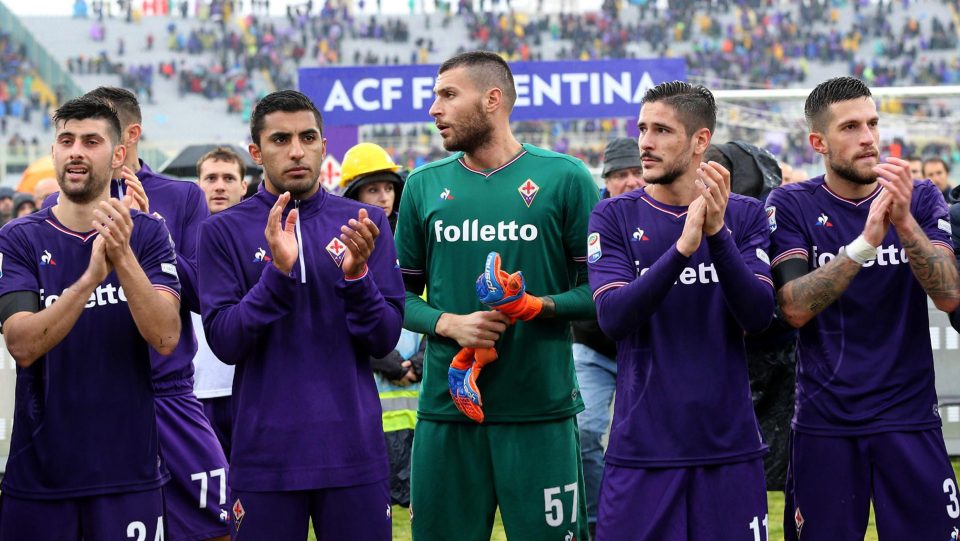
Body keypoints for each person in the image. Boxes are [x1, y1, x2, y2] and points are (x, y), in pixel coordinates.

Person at [395, 51, 597, 541]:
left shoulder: (566, 178)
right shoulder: (423, 186)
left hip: (540, 409)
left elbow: (603, 292)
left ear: (492, 99)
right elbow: (393, 298)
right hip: (448, 408)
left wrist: (536, 306)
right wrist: (449, 324)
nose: (433, 109)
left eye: (447, 94)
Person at [198, 90, 404, 540]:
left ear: (324, 146)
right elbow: (226, 341)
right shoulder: (221, 231)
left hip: (353, 452)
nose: (296, 150)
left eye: (308, 137)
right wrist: (279, 273)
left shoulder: (365, 221)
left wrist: (356, 279)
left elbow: (384, 337)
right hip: (265, 457)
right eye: (280, 139)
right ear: (256, 151)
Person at [766, 77, 960, 540]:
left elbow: (950, 294)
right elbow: (792, 308)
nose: (868, 137)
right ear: (819, 142)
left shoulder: (920, 197)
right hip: (825, 423)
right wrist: (865, 244)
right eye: (850, 127)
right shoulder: (792, 204)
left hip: (909, 418)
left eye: (872, 123)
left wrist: (904, 224)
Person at [587, 81, 773, 539]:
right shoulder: (613, 215)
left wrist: (716, 234)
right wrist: (684, 248)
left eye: (662, 131)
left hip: (728, 448)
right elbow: (613, 317)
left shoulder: (744, 214)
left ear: (700, 141)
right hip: (643, 451)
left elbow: (758, 316)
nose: (645, 143)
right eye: (642, 129)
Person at [0, 96, 181, 540]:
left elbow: (165, 336)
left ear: (119, 154)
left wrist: (123, 258)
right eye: (66, 140)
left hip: (128, 474)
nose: (76, 151)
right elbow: (22, 345)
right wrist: (88, 280)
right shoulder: (19, 238)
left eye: (91, 141)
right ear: (54, 152)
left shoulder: (149, 233)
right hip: (40, 478)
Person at [81, 86, 229, 541]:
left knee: (217, 522)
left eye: (97, 134)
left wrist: (151, 236)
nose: (89, 145)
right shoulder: (59, 206)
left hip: (170, 391)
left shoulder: (182, 197)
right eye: (79, 137)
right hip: (100, 396)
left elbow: (206, 293)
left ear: (130, 134)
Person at [340, 141, 423, 510]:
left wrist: (422, 356)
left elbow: (429, 302)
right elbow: (339, 312)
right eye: (373, 188)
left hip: (417, 383)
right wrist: (382, 359)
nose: (384, 196)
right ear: (353, 193)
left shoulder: (411, 239)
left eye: (389, 188)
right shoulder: (339, 244)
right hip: (369, 379)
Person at [572, 136, 641, 536]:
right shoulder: (591, 216)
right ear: (607, 180)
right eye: (620, 174)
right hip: (592, 345)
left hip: (645, 347)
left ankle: (637, 515)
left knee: (642, 440)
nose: (630, 181)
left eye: (636, 172)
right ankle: (600, 522)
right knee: (582, 432)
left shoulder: (666, 210)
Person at [192, 146, 249, 459]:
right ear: (198, 184)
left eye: (229, 178)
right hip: (196, 389)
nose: (219, 185)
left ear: (243, 186)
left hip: (248, 386)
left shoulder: (264, 236)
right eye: (210, 178)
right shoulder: (178, 238)